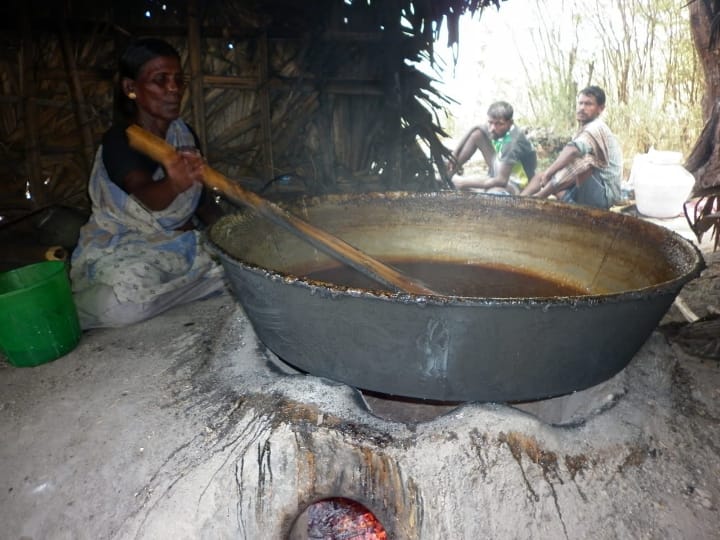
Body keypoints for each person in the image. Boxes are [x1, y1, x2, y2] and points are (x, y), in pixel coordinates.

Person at [70, 38, 226, 329]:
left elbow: (203, 203)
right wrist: (175, 184)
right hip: (127, 246)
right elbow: (148, 197)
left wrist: (232, 235)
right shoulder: (121, 139)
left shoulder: (184, 134)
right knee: (126, 300)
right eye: (160, 80)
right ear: (131, 88)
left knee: (238, 268)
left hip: (182, 244)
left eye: (179, 80)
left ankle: (182, 289)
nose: (174, 89)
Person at [521, 86, 622, 209]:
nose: (582, 108)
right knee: (540, 177)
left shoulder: (597, 127)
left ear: (600, 109)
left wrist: (549, 173)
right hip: (584, 190)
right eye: (580, 103)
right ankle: (518, 202)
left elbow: (573, 151)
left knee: (584, 161)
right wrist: (546, 175)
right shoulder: (582, 130)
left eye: (588, 104)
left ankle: (540, 197)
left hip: (604, 196)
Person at [447, 101, 537, 195]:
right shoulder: (494, 127)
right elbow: (476, 127)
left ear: (510, 123)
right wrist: (455, 154)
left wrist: (462, 182)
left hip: (516, 181)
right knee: (477, 135)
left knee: (493, 194)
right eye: (490, 122)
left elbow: (502, 180)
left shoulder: (512, 142)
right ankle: (447, 175)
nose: (492, 128)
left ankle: (460, 185)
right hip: (501, 167)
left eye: (499, 124)